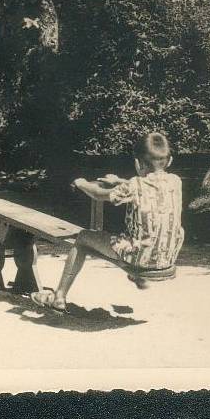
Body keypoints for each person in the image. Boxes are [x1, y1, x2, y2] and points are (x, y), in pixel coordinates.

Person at [31, 132, 185, 312]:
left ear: (137, 163)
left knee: (82, 239)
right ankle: (137, 277)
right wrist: (119, 181)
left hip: (139, 260)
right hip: (167, 260)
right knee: (129, 242)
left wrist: (80, 183)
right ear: (170, 160)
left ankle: (59, 297)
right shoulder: (175, 181)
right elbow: (151, 186)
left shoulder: (133, 185)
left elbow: (98, 194)